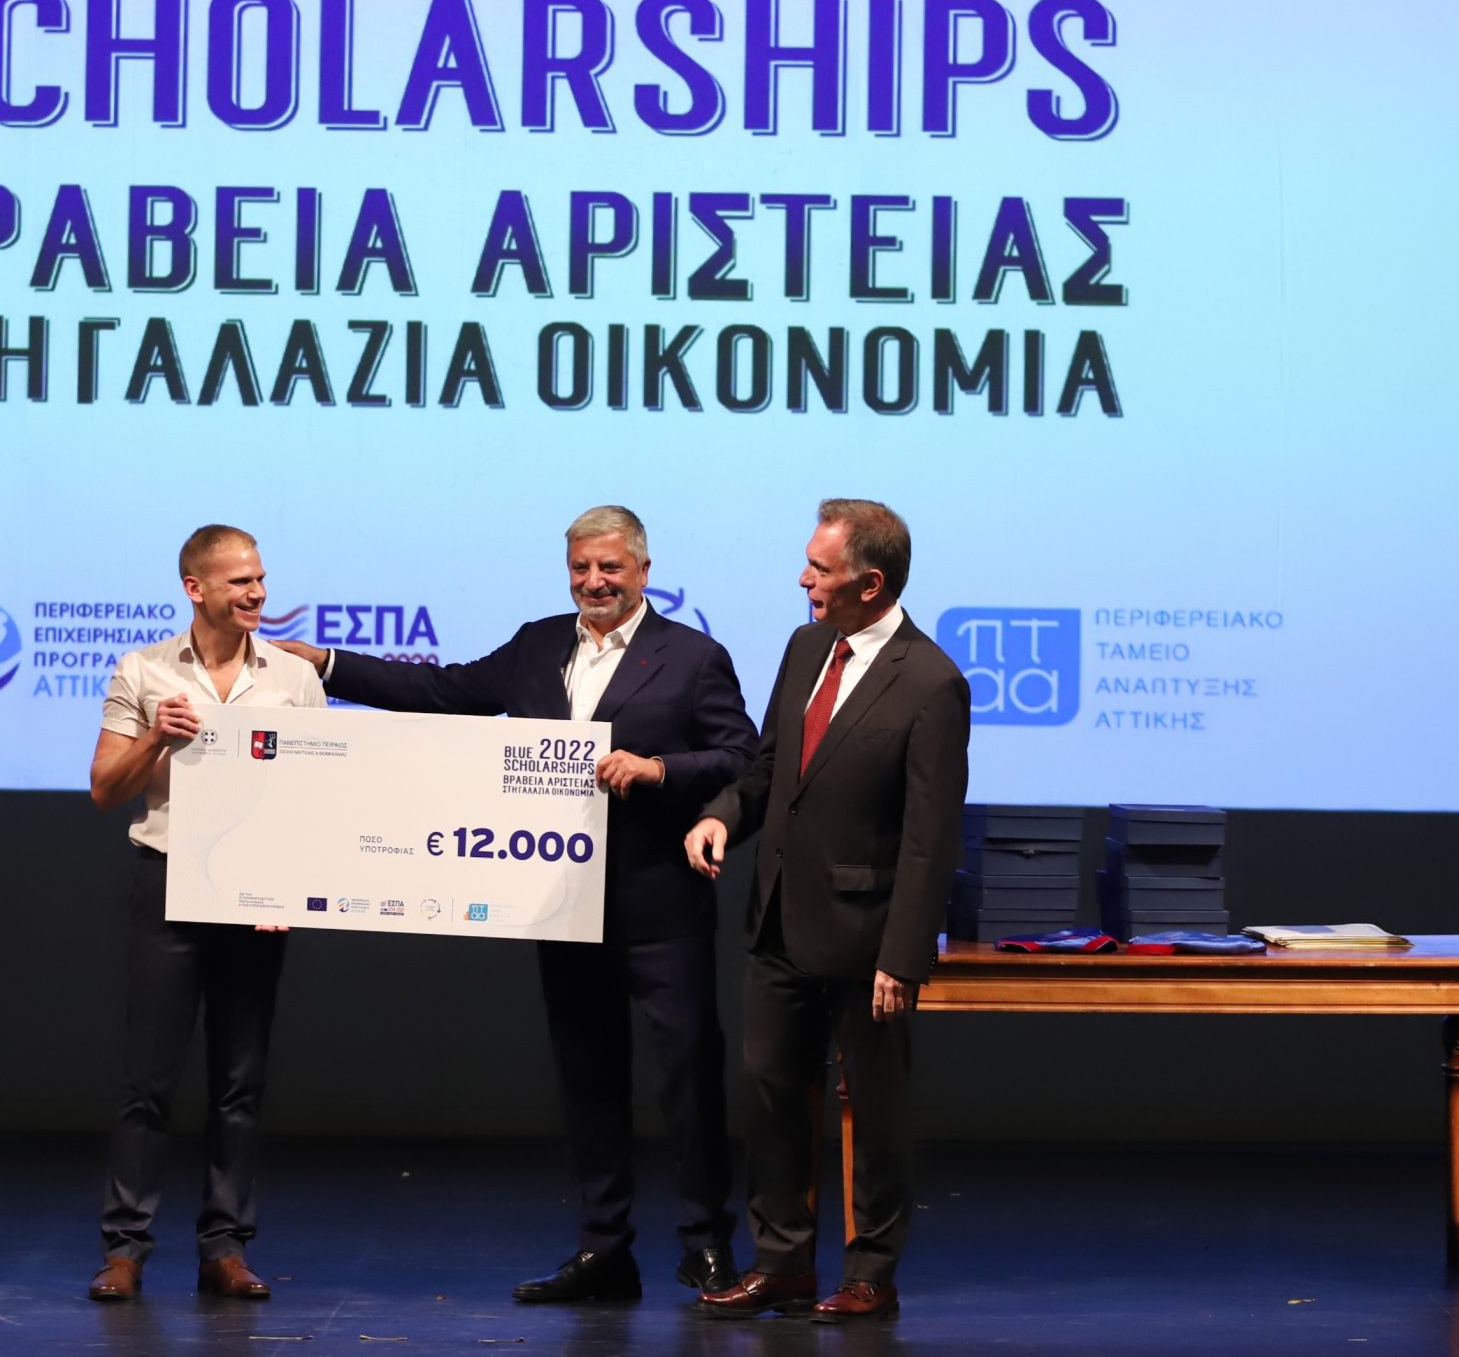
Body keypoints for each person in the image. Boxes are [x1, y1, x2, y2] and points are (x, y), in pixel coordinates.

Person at [270, 505, 758, 1303]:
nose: (594, 582)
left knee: (689, 1083)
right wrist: (328, 664)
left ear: (643, 570)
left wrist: (660, 770)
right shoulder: (538, 644)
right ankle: (605, 1250)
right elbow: (443, 690)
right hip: (560, 903)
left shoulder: (694, 656)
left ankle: (707, 1246)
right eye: (581, 568)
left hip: (659, 907)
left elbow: (741, 756)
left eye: (610, 567)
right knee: (588, 1081)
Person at [683, 499, 968, 1323]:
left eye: (820, 567)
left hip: (868, 937)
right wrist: (723, 815)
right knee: (772, 1092)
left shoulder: (932, 681)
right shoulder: (807, 646)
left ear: (869, 584)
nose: (803, 579)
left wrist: (903, 956)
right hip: (778, 917)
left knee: (875, 1111)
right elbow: (772, 768)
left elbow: (929, 837)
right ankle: (782, 1264)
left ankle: (871, 1271)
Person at [84, 525, 326, 1303]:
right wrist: (157, 736)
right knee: (148, 1080)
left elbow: (316, 799)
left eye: (260, 578)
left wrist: (286, 888)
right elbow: (104, 788)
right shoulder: (145, 669)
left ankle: (225, 1247)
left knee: (239, 1081)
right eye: (240, 582)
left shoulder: (293, 677)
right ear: (196, 588)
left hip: (255, 896)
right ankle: (125, 1249)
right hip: (168, 883)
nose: (257, 593)